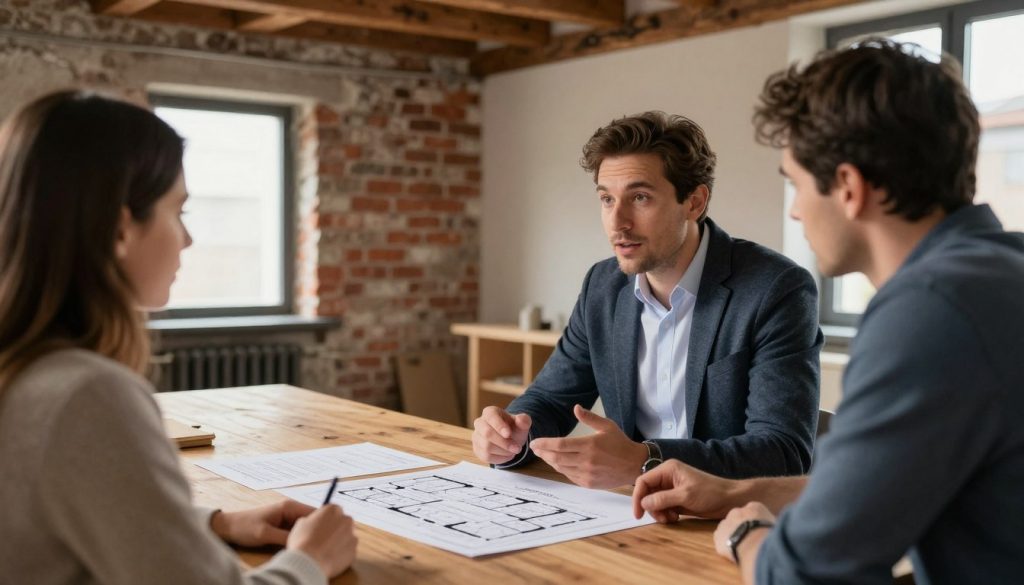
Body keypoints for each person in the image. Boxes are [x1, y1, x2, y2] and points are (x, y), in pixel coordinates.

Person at [633, 40, 1024, 585]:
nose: (794, 207)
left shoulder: (928, 315)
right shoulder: (1001, 270)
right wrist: (738, 493)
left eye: (795, 183)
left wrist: (747, 536)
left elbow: (806, 575)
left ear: (847, 188)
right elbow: (875, 487)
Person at [0, 91, 357, 584]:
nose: (188, 240)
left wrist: (214, 521)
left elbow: (58, 512)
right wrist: (310, 560)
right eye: (179, 211)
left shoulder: (23, 371)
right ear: (119, 228)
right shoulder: (86, 393)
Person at [472, 111, 823, 488]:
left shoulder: (776, 289)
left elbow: (783, 453)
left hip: (729, 516)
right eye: (607, 199)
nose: (618, 221)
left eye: (640, 197)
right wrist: (510, 435)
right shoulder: (602, 286)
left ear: (694, 202)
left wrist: (646, 461)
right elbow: (548, 400)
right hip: (631, 511)